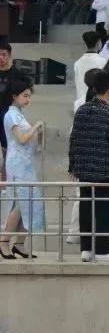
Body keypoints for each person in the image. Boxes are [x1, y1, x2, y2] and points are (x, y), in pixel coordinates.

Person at [68, 70, 109, 262]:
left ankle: (86, 249)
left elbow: (73, 139)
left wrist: (73, 165)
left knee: (86, 207)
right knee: (104, 209)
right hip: (104, 169)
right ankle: (101, 250)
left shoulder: (81, 110)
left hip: (83, 169)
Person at [1, 79, 43, 257]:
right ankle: (3, 242)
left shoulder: (19, 115)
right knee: (19, 204)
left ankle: (19, 243)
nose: (28, 99)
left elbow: (30, 139)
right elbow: (22, 138)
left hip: (27, 164)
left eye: (29, 96)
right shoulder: (11, 115)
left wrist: (37, 132)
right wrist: (35, 127)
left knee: (29, 202)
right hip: (17, 165)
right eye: (25, 96)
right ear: (14, 96)